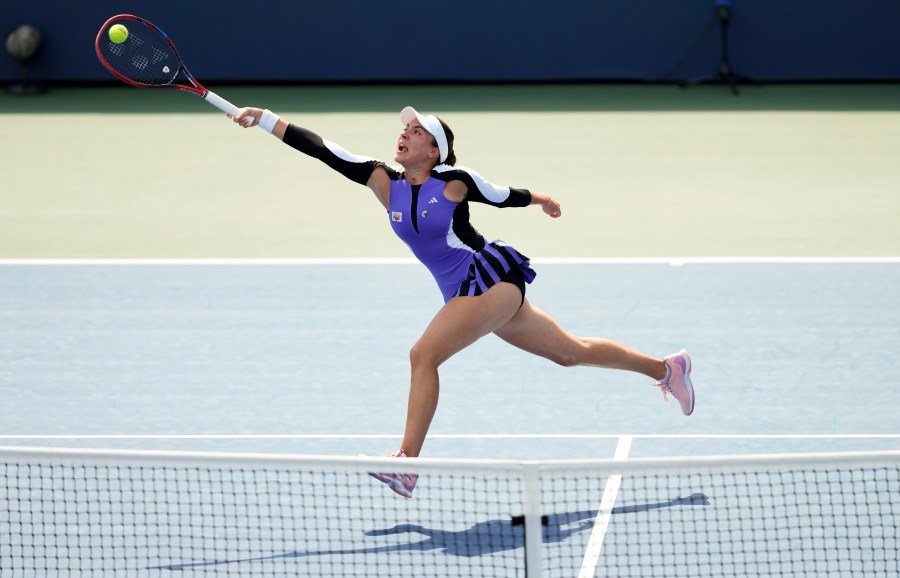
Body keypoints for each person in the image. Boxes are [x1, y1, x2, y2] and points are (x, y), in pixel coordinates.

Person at [229, 105, 695, 498]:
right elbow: (322, 149)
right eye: (404, 129)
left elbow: (500, 194)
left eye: (416, 131)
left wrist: (543, 199)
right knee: (572, 353)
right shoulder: (382, 181)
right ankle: (667, 369)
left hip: (489, 279)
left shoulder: (454, 181)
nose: (404, 134)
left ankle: (408, 463)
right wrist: (266, 119)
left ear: (434, 150)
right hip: (463, 294)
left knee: (423, 354)